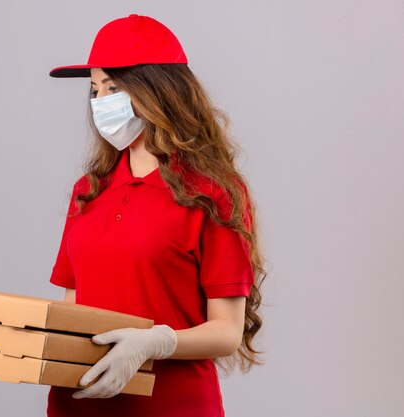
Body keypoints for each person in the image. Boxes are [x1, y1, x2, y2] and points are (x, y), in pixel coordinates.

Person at [47, 14, 265, 417]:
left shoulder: (212, 193)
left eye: (112, 87)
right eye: (95, 89)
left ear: (158, 91)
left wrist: (156, 342)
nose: (100, 102)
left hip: (171, 406)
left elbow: (227, 332)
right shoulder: (88, 190)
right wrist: (7, 353)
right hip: (79, 405)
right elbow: (71, 312)